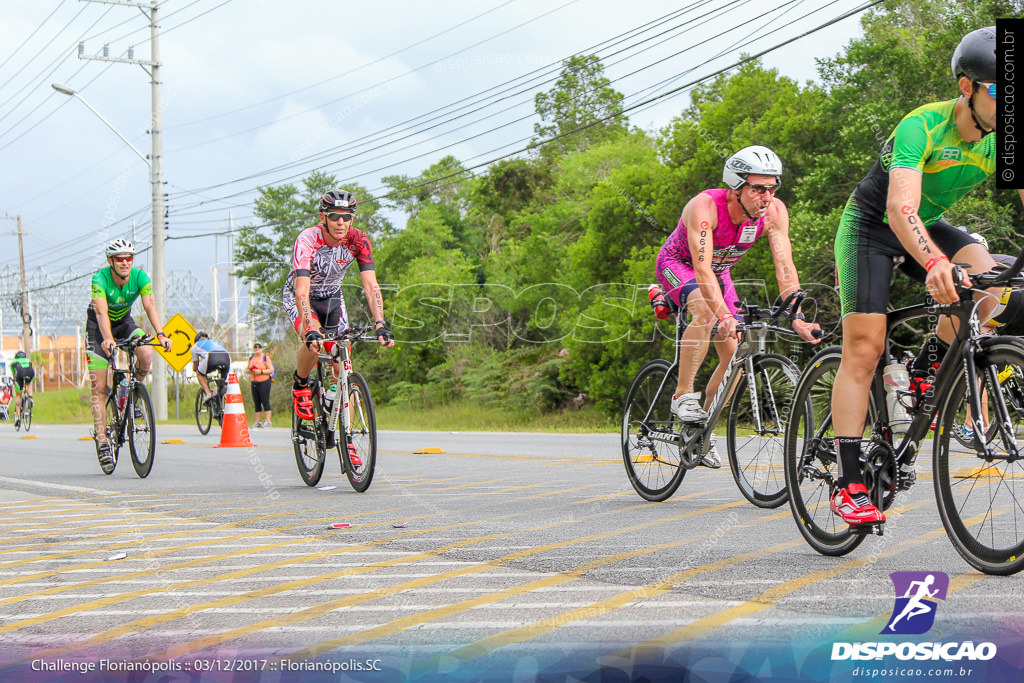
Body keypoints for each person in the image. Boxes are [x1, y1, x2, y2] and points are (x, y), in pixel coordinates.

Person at [829, 27, 1022, 526]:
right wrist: (935, 262)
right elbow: (899, 207)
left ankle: (926, 366)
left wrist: (947, 259)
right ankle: (848, 481)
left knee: (989, 279)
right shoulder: (924, 126)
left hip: (927, 221)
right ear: (967, 88)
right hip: (872, 227)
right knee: (866, 345)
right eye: (999, 91)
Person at [655, 145, 822, 468]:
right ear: (736, 187)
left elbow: (784, 265)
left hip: (720, 273)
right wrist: (724, 315)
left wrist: (797, 316)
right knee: (705, 310)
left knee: (736, 356)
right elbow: (702, 270)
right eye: (758, 188)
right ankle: (683, 395)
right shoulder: (706, 206)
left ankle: (702, 432)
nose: (767, 196)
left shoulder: (773, 212)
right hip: (679, 264)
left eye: (773, 188)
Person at [283, 190, 395, 466]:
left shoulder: (358, 239)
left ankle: (344, 430)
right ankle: (300, 385)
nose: (341, 222)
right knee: (316, 340)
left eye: (347, 217)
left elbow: (371, 285)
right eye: (334, 216)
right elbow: (302, 289)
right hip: (302, 296)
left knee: (342, 358)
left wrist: (380, 322)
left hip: (333, 297)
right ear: (323, 217)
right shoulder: (307, 240)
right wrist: (309, 326)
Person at [86, 239, 172, 473]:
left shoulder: (140, 277)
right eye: (119, 259)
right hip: (98, 328)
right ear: (110, 262)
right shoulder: (99, 278)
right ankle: (103, 440)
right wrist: (108, 339)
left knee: (146, 351)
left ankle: (133, 392)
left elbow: (149, 306)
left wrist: (161, 334)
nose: (125, 263)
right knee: (100, 387)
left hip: (124, 323)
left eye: (129, 258)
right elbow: (102, 312)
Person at [190, 331, 231, 409]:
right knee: (224, 384)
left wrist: (196, 371)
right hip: (227, 357)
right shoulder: (215, 342)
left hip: (212, 357)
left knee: (199, 373)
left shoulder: (195, 346)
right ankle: (225, 407)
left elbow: (196, 366)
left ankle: (208, 393)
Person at [248, 341, 275, 428]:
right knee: (256, 401)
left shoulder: (265, 358)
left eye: (259, 347)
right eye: (255, 347)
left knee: (265, 400)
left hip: (264, 381)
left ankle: (268, 421)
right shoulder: (251, 358)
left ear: (262, 348)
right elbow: (247, 369)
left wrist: (261, 371)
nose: (257, 349)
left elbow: (271, 370)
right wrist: (251, 370)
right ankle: (258, 421)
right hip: (254, 381)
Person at [10, 350, 34, 429]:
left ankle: (18, 417)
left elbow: (14, 375)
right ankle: (30, 397)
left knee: (18, 396)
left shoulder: (13, 362)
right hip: (30, 372)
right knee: (29, 383)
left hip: (20, 373)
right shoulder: (28, 360)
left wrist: (14, 381)